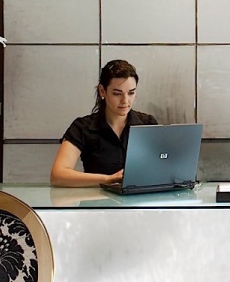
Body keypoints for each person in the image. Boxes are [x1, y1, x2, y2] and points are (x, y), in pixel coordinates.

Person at [49, 59, 158, 187]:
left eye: (131, 93)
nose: (125, 100)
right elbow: (57, 175)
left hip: (142, 198)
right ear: (102, 91)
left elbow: (164, 167)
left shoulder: (148, 124)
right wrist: (108, 179)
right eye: (117, 93)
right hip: (98, 198)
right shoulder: (82, 127)